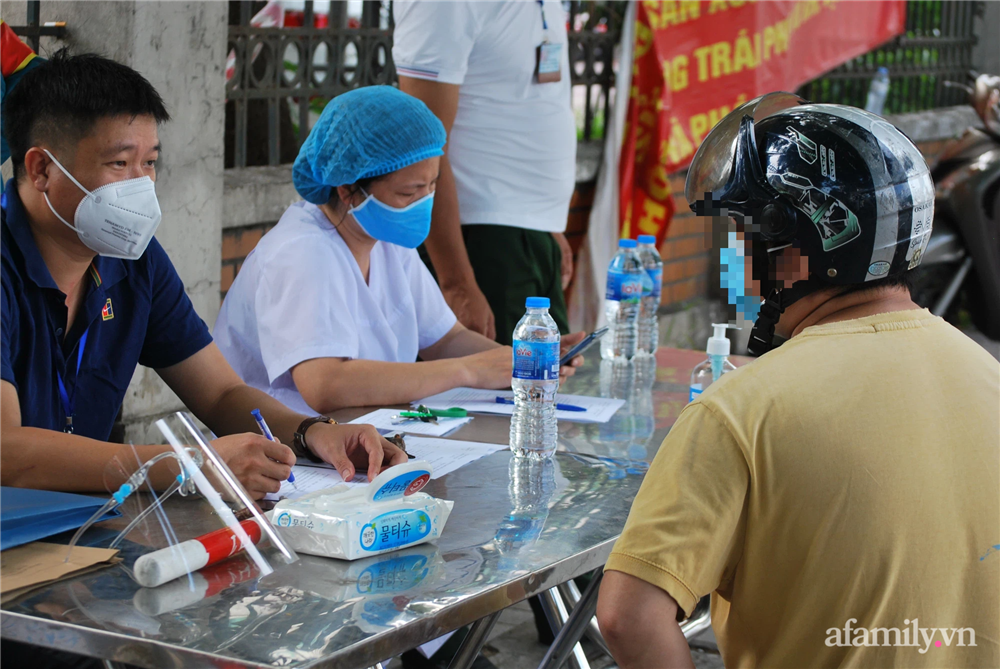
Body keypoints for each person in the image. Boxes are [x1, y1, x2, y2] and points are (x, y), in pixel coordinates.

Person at [596, 95, 999, 668]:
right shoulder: (990, 375)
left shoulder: (740, 410)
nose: (741, 257)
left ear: (793, 250)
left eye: (744, 233)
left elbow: (627, 616)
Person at [0, 51, 407, 500]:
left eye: (150, 163)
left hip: (80, 527)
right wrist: (191, 465)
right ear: (41, 169)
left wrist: (312, 433)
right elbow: (6, 451)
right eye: (119, 164)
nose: (141, 185)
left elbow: (221, 394)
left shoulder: (135, 261)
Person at [214, 86, 584, 415]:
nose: (424, 203)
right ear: (348, 190)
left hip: (361, 437)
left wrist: (523, 362)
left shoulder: (386, 240)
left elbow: (446, 339)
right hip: (286, 460)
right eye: (409, 193)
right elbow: (325, 384)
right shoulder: (302, 252)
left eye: (432, 187)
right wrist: (470, 370)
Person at [392, 0, 577, 345]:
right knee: (507, 393)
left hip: (530, 232)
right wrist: (457, 283)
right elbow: (422, 142)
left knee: (547, 388)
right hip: (480, 241)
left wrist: (544, 223)